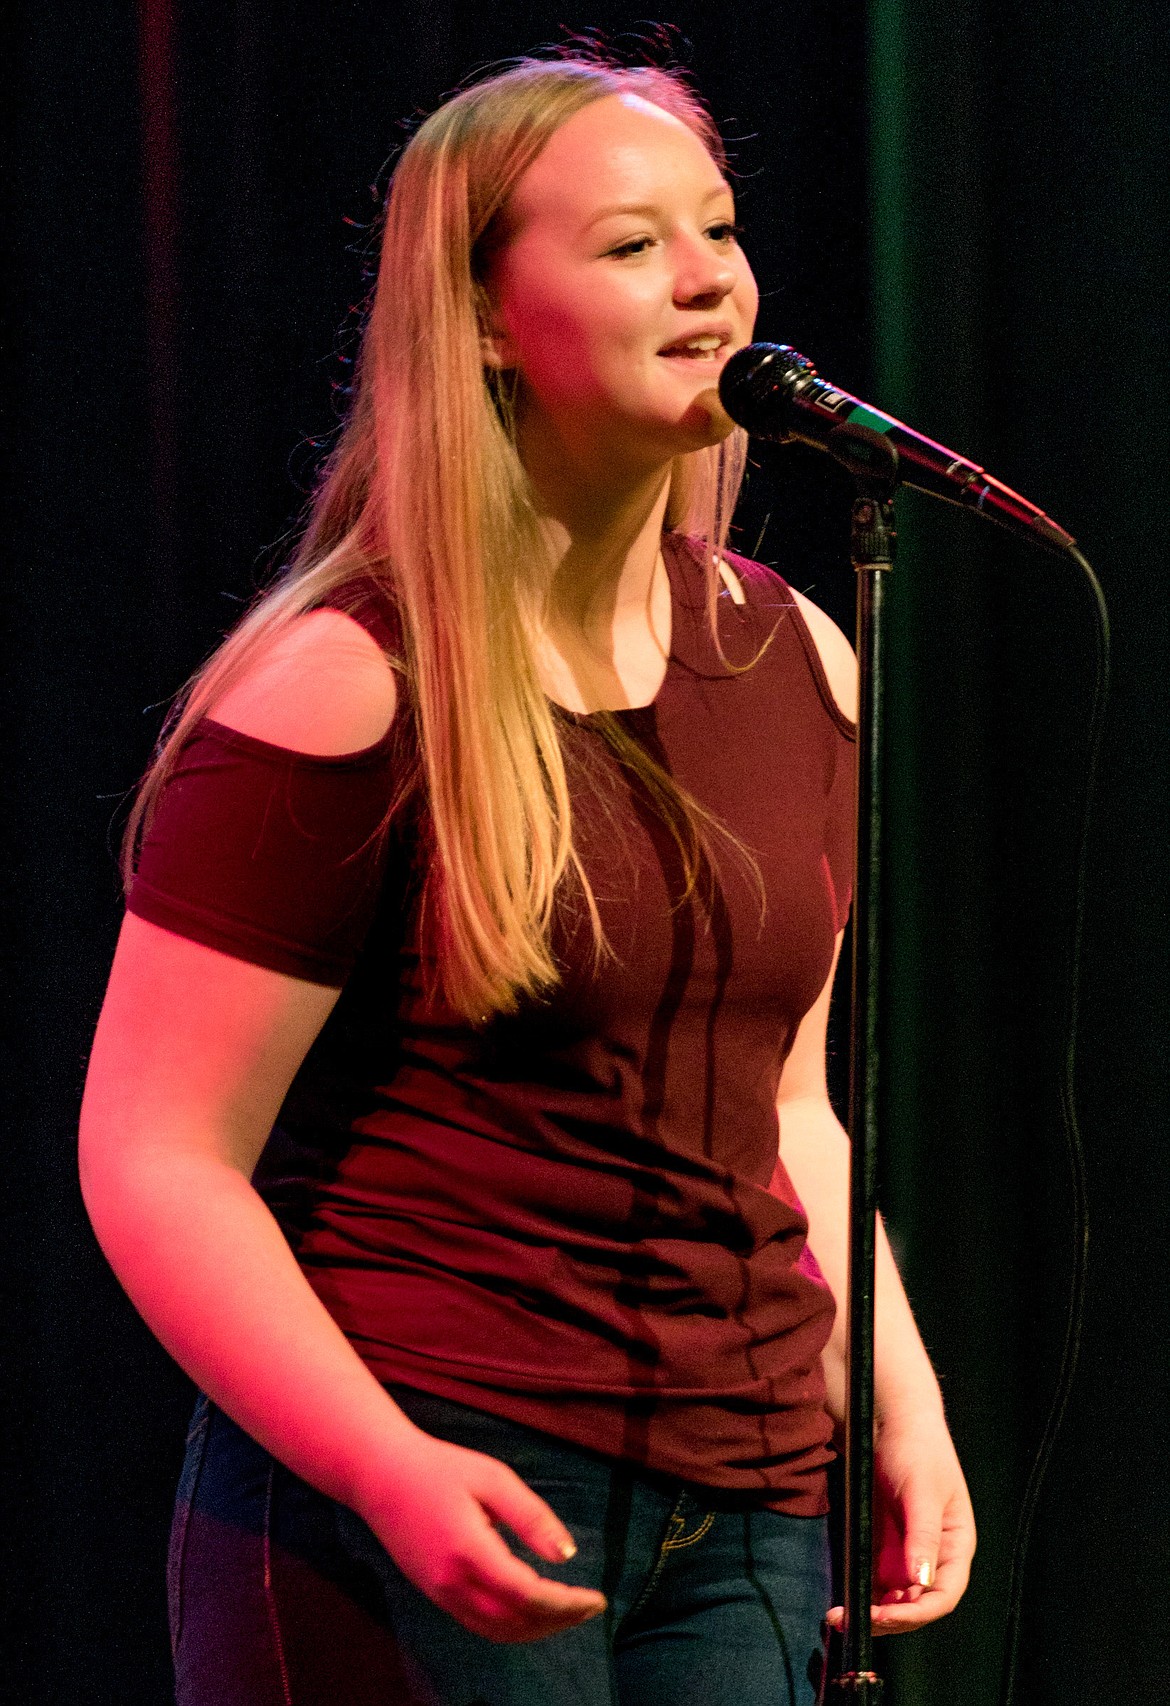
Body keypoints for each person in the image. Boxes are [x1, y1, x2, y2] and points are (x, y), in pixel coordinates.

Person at [79, 51, 975, 1706]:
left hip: (749, 1510)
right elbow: (154, 1154)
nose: (708, 278)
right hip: (438, 1471)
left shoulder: (795, 656)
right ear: (485, 316)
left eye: (715, 229)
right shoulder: (347, 682)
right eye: (633, 245)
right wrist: (381, 1466)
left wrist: (898, 1410)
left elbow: (785, 1114)